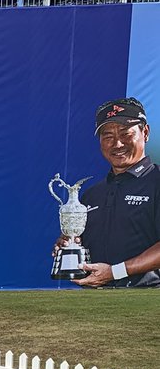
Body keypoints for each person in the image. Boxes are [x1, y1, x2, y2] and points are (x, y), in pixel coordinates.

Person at [62, 97, 160, 288]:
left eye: (126, 134)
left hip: (149, 301)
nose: (117, 144)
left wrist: (114, 272)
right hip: (95, 303)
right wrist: (70, 244)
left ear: (145, 133)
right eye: (108, 136)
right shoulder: (91, 195)